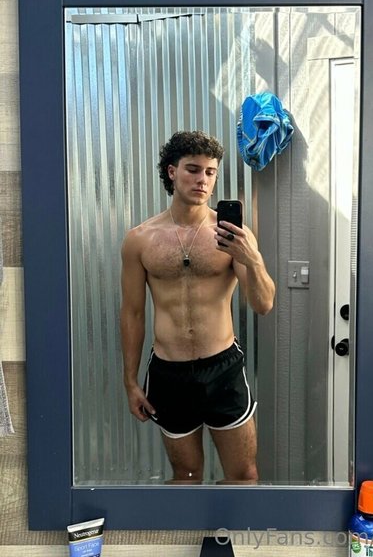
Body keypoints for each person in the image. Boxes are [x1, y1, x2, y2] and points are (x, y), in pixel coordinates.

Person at [120, 130, 275, 483]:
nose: (202, 180)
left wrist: (252, 259)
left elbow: (264, 304)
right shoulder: (140, 240)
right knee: (186, 476)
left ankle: (229, 523)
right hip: (169, 373)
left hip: (222, 369)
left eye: (210, 172)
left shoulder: (234, 234)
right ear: (172, 171)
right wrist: (130, 381)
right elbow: (132, 313)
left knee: (244, 475)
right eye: (193, 169)